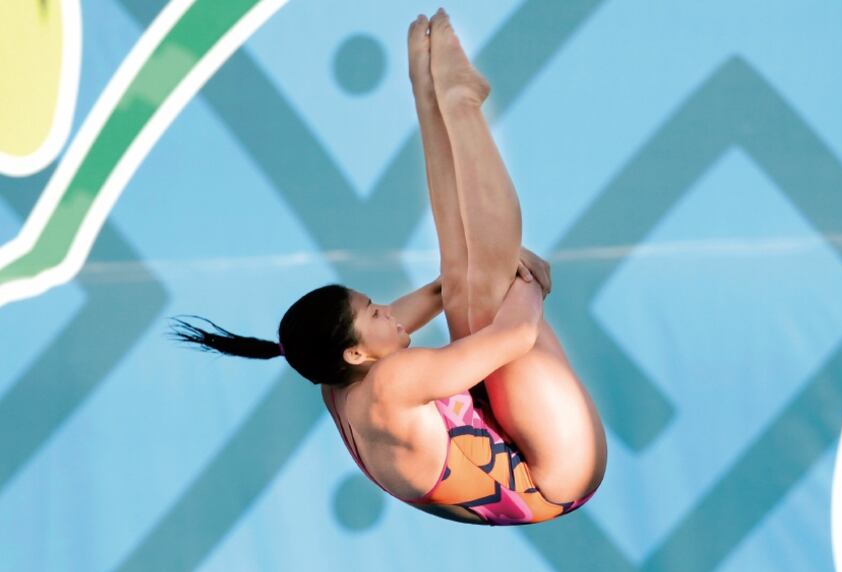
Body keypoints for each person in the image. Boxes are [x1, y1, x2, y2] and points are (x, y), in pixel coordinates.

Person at [170, 9, 606, 525]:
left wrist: (500, 257)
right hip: (556, 476)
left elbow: (444, 286)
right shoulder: (390, 384)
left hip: (512, 436)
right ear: (355, 351)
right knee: (490, 294)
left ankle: (432, 98)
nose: (389, 311)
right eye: (374, 312)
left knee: (465, 279)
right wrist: (528, 280)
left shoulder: (339, 377)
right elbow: (516, 335)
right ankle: (462, 105)